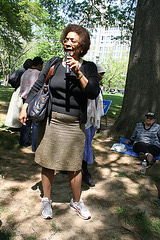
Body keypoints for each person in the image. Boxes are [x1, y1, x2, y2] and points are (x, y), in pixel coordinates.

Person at [18, 24, 100, 220]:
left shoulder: (89, 67)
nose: (68, 43)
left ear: (82, 46)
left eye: (73, 40)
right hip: (52, 121)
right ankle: (46, 200)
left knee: (74, 166)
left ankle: (76, 202)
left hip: (74, 124)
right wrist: (25, 106)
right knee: (48, 162)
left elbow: (92, 92)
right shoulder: (54, 62)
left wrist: (79, 72)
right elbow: (38, 85)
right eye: (66, 39)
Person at [82, 63, 105, 187]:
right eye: (100, 73)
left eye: (102, 74)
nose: (102, 76)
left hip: (91, 122)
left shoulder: (97, 86)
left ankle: (84, 170)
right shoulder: (86, 84)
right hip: (84, 120)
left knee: (86, 146)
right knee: (82, 147)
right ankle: (84, 172)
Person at [19, 57, 43, 152]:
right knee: (36, 123)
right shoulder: (38, 74)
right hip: (34, 99)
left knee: (25, 121)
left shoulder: (25, 72)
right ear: (39, 65)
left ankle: (23, 142)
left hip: (24, 99)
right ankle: (35, 146)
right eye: (41, 65)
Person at [5, 59, 33, 129]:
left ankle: (15, 125)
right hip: (21, 89)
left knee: (16, 107)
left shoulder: (21, 70)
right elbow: (11, 79)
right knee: (18, 107)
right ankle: (16, 125)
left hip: (19, 89)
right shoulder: (23, 71)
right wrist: (16, 85)